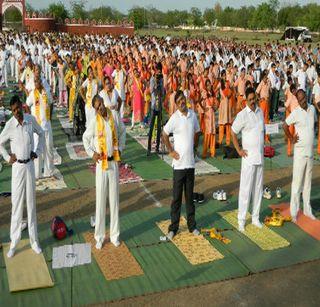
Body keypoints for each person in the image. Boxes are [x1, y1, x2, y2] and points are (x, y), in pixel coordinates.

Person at [0, 95, 44, 257]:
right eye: (14, 110)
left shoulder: (30, 120)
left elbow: (41, 134)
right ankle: (14, 241)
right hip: (17, 167)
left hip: (30, 166)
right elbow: (0, 143)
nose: (17, 112)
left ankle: (34, 241)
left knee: (31, 203)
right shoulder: (10, 125)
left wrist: (37, 151)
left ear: (22, 106)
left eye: (18, 108)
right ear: (11, 111)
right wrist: (6, 157)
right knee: (16, 204)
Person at [82, 95, 121, 249]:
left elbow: (123, 132)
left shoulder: (113, 117)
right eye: (97, 107)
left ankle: (115, 235)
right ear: (95, 109)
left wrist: (121, 148)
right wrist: (92, 154)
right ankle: (99, 236)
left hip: (113, 163)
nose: (100, 108)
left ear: (103, 103)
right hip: (101, 165)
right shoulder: (93, 122)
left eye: (101, 105)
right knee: (101, 201)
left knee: (114, 200)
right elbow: (85, 139)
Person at [162, 90, 201, 240]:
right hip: (178, 165)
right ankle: (173, 228)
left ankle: (192, 226)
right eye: (179, 101)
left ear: (185, 99)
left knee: (190, 197)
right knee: (176, 198)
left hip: (190, 164)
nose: (182, 103)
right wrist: (170, 151)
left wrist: (194, 148)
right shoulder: (174, 118)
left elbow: (197, 132)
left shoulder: (193, 115)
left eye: (183, 100)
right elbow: (165, 134)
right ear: (176, 104)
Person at [231, 87, 265, 232]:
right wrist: (239, 150)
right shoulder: (242, 115)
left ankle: (256, 217)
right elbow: (233, 132)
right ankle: (242, 220)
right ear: (246, 100)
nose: (252, 102)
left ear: (256, 98)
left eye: (254, 99)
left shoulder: (260, 112)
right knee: (245, 189)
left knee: (258, 189)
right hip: (248, 158)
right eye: (250, 99)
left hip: (260, 157)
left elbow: (262, 131)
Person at [283, 89, 316, 222]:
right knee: (297, 183)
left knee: (307, 183)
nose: (302, 102)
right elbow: (285, 125)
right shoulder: (296, 112)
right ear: (297, 99)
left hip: (310, 151)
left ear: (306, 97)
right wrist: (291, 138)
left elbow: (313, 126)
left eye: (303, 99)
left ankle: (307, 210)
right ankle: (294, 213)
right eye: (300, 100)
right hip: (300, 152)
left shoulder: (312, 109)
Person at [147, 62, 164, 155]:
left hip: (159, 106)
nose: (159, 72)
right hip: (153, 106)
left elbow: (163, 93)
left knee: (159, 128)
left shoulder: (161, 79)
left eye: (160, 71)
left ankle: (157, 147)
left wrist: (160, 85)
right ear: (155, 70)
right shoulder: (152, 79)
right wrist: (156, 83)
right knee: (151, 127)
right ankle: (149, 148)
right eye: (158, 70)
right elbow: (151, 90)